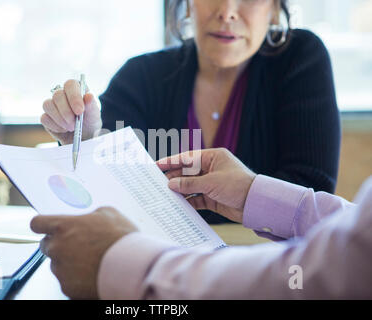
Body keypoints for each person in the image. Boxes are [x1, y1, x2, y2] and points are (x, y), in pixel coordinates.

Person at [40, 0, 341, 224]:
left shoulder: (300, 59)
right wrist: (85, 138)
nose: (227, 11)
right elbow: (106, 186)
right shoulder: (141, 74)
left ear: (275, 9)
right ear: (187, 5)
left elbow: (310, 192)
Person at [30, 148, 372, 299]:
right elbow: (357, 239)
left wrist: (124, 261)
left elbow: (317, 280)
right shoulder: (146, 71)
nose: (227, 11)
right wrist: (255, 193)